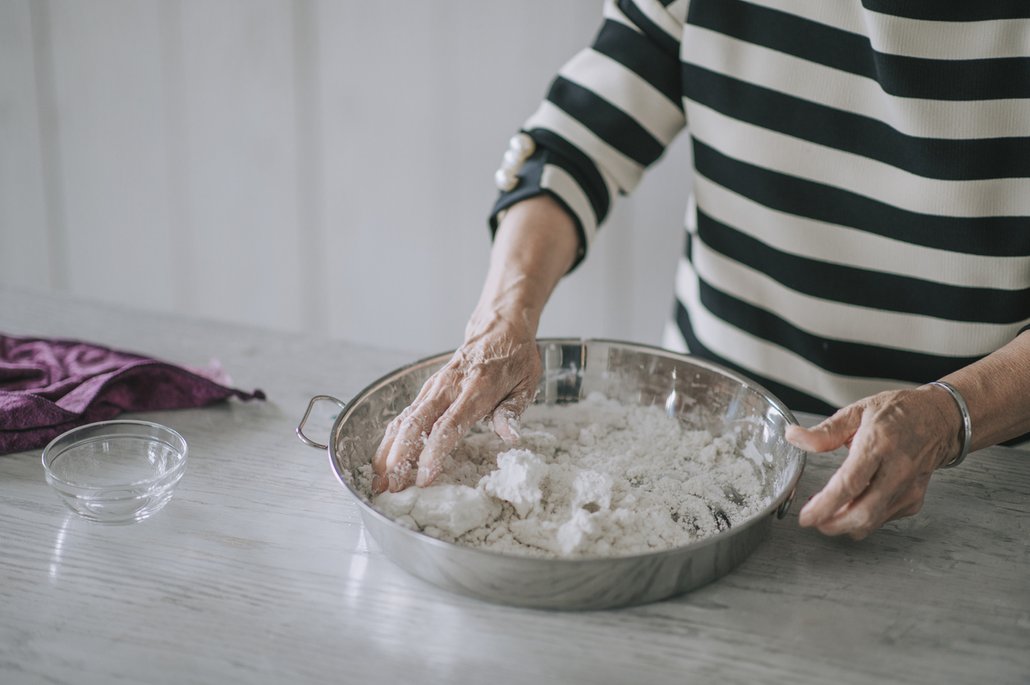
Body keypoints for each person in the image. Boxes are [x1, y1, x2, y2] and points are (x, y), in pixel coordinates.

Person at [373, 0, 1030, 539]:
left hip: (978, 479)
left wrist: (950, 417)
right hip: (701, 450)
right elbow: (575, 143)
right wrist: (503, 315)